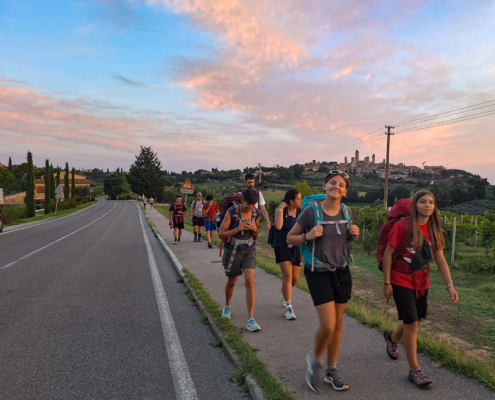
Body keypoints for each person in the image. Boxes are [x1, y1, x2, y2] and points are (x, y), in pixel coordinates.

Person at [287, 170, 359, 393]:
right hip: (318, 271)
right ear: (324, 186)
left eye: (341, 185)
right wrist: (307, 236)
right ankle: (315, 360)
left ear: (345, 191)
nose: (336, 186)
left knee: (338, 324)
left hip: (342, 271)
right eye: (332, 183)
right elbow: (290, 237)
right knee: (328, 325)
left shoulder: (347, 212)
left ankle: (331, 370)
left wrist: (352, 236)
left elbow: (342, 243)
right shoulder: (311, 212)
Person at [382, 190, 458, 390]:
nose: (427, 205)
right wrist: (387, 282)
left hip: (421, 282)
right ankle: (414, 370)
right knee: (412, 323)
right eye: (423, 202)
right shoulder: (402, 226)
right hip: (400, 279)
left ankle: (392, 338)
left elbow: (440, 259)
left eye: (431, 202)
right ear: (415, 205)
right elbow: (389, 253)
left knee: (414, 320)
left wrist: (450, 285)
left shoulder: (434, 229)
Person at [218, 188, 261, 332]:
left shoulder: (256, 213)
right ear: (242, 200)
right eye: (248, 204)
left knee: (249, 281)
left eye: (253, 205)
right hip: (233, 250)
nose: (250, 207)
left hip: (249, 250)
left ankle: (251, 319)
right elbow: (221, 234)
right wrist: (238, 228)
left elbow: (257, 232)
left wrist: (254, 228)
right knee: (232, 281)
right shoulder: (232, 212)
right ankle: (227, 305)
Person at [273, 189, 302, 320]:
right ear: (291, 201)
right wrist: (280, 208)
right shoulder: (281, 211)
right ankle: (289, 308)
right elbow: (278, 226)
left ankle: (285, 293)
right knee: (288, 276)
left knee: (295, 278)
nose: (301, 201)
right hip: (281, 245)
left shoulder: (301, 212)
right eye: (298, 199)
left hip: (296, 246)